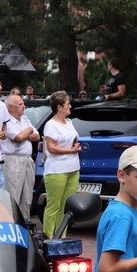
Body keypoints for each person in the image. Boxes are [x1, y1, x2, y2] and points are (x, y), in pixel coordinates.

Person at [41, 90, 81, 237]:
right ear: (59, 107)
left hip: (73, 168)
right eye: (68, 104)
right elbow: (51, 148)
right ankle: (48, 237)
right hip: (56, 170)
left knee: (66, 207)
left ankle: (61, 236)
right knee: (54, 206)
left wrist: (77, 147)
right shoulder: (50, 125)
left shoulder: (69, 122)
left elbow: (72, 142)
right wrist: (71, 151)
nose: (70, 106)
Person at [1, 93, 40, 220]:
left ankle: (26, 226)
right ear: (11, 107)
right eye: (20, 104)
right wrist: (29, 130)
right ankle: (12, 225)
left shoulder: (24, 119)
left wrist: (25, 133)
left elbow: (37, 136)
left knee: (27, 197)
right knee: (14, 196)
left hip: (27, 160)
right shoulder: (6, 121)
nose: (24, 106)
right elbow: (18, 137)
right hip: (13, 160)